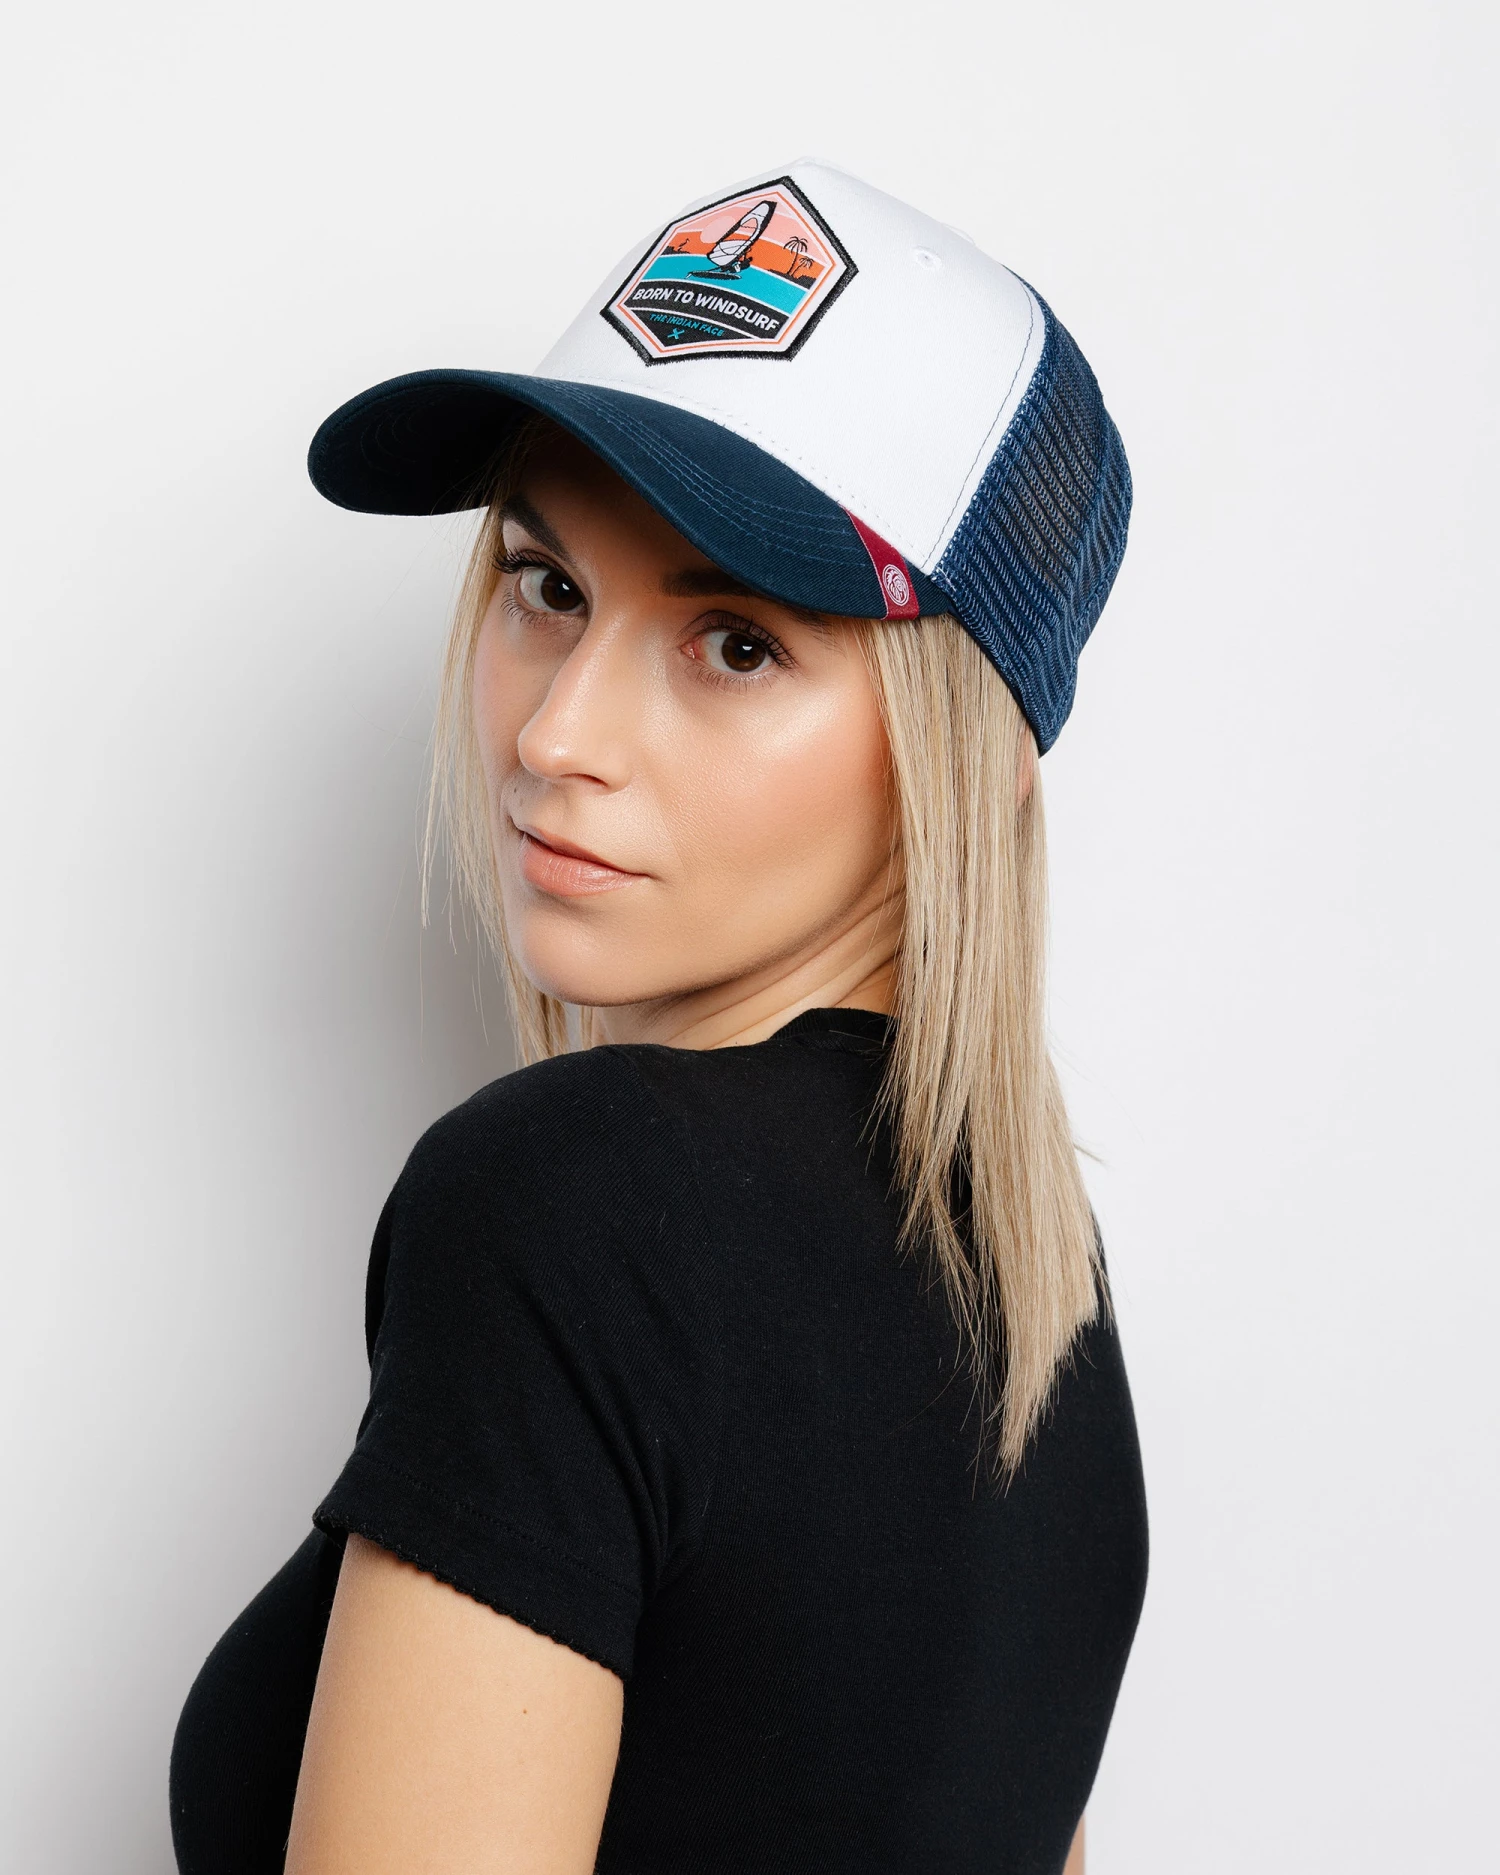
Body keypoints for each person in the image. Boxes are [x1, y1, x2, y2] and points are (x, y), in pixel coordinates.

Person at [169, 161, 1148, 1875]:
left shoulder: (573, 1200)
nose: (556, 733)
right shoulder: (1038, 1281)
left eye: (736, 642)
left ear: (970, 751)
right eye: (547, 586)